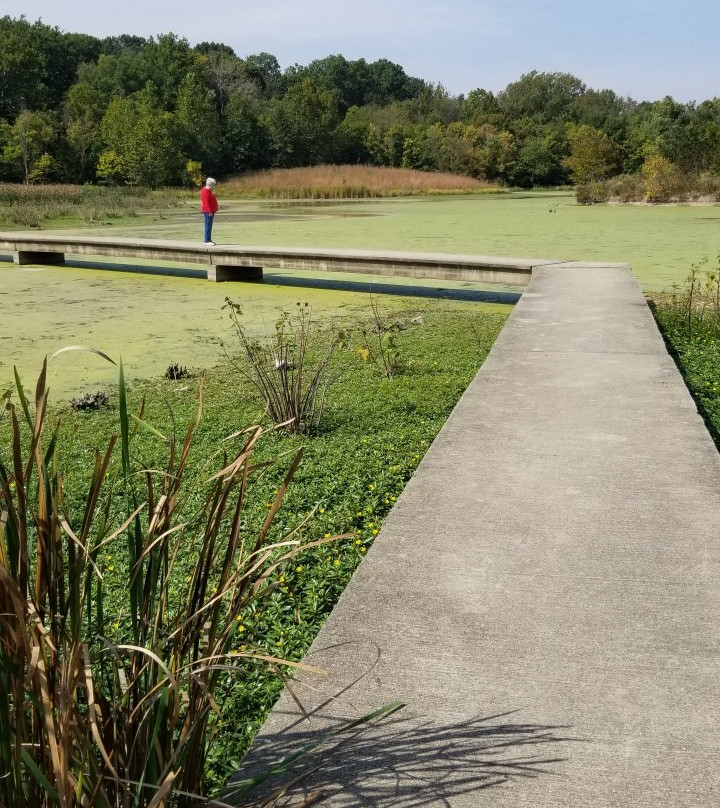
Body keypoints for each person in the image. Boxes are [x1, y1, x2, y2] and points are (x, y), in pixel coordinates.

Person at [200, 177, 218, 245]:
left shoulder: (209, 190)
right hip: (208, 211)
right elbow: (206, 202)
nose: (214, 186)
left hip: (211, 211)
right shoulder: (205, 191)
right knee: (208, 225)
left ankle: (209, 239)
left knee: (209, 225)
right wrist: (210, 211)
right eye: (213, 184)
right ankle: (206, 241)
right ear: (210, 184)